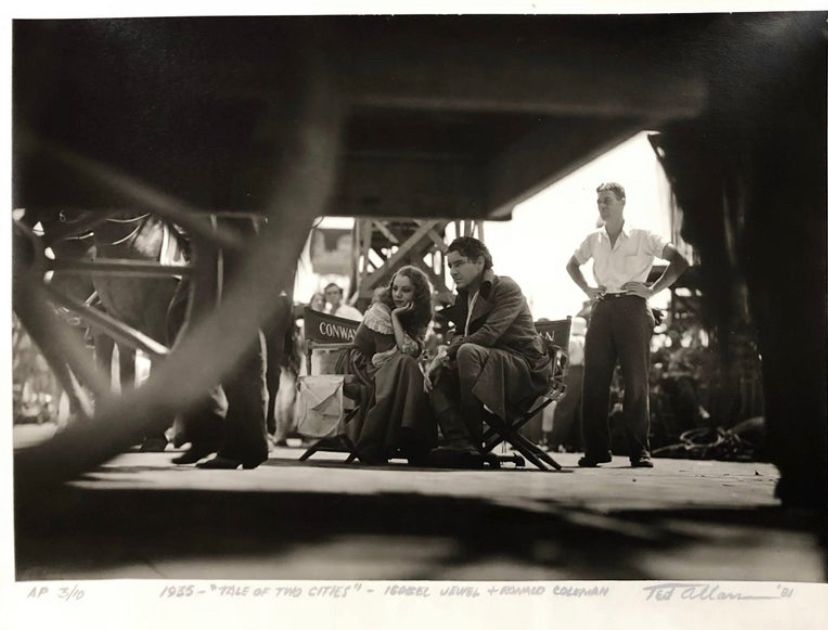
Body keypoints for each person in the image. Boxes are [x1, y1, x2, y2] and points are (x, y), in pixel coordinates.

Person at [566, 182, 689, 468]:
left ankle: (639, 450)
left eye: (607, 200)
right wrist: (587, 289)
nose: (602, 206)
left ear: (623, 201)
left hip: (633, 308)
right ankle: (596, 450)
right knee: (594, 381)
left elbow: (680, 261)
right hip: (602, 308)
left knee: (636, 381)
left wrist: (652, 290)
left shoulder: (643, 236)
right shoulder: (593, 239)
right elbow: (571, 265)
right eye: (599, 201)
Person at [424, 237, 552, 463]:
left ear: (480, 261)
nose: (453, 271)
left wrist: (446, 352)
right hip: (488, 363)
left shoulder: (505, 287)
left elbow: (489, 334)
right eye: (450, 265)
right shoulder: (464, 295)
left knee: (466, 352)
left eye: (459, 263)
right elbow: (459, 334)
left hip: (523, 367)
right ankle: (460, 441)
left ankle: (473, 444)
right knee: (434, 373)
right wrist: (443, 355)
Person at [340, 265, 437, 464]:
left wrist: (400, 320)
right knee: (405, 364)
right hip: (362, 365)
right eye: (395, 288)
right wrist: (394, 317)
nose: (398, 295)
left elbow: (412, 351)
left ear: (418, 293)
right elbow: (400, 352)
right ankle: (412, 438)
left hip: (392, 369)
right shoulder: (380, 312)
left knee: (405, 365)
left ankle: (405, 436)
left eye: (406, 290)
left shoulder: (419, 315)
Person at [544, 316, 587, 452]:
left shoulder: (571, 340)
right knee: (579, 409)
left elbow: (562, 360)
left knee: (563, 407)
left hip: (571, 373)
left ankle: (555, 442)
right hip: (584, 373)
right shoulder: (585, 340)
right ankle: (576, 444)